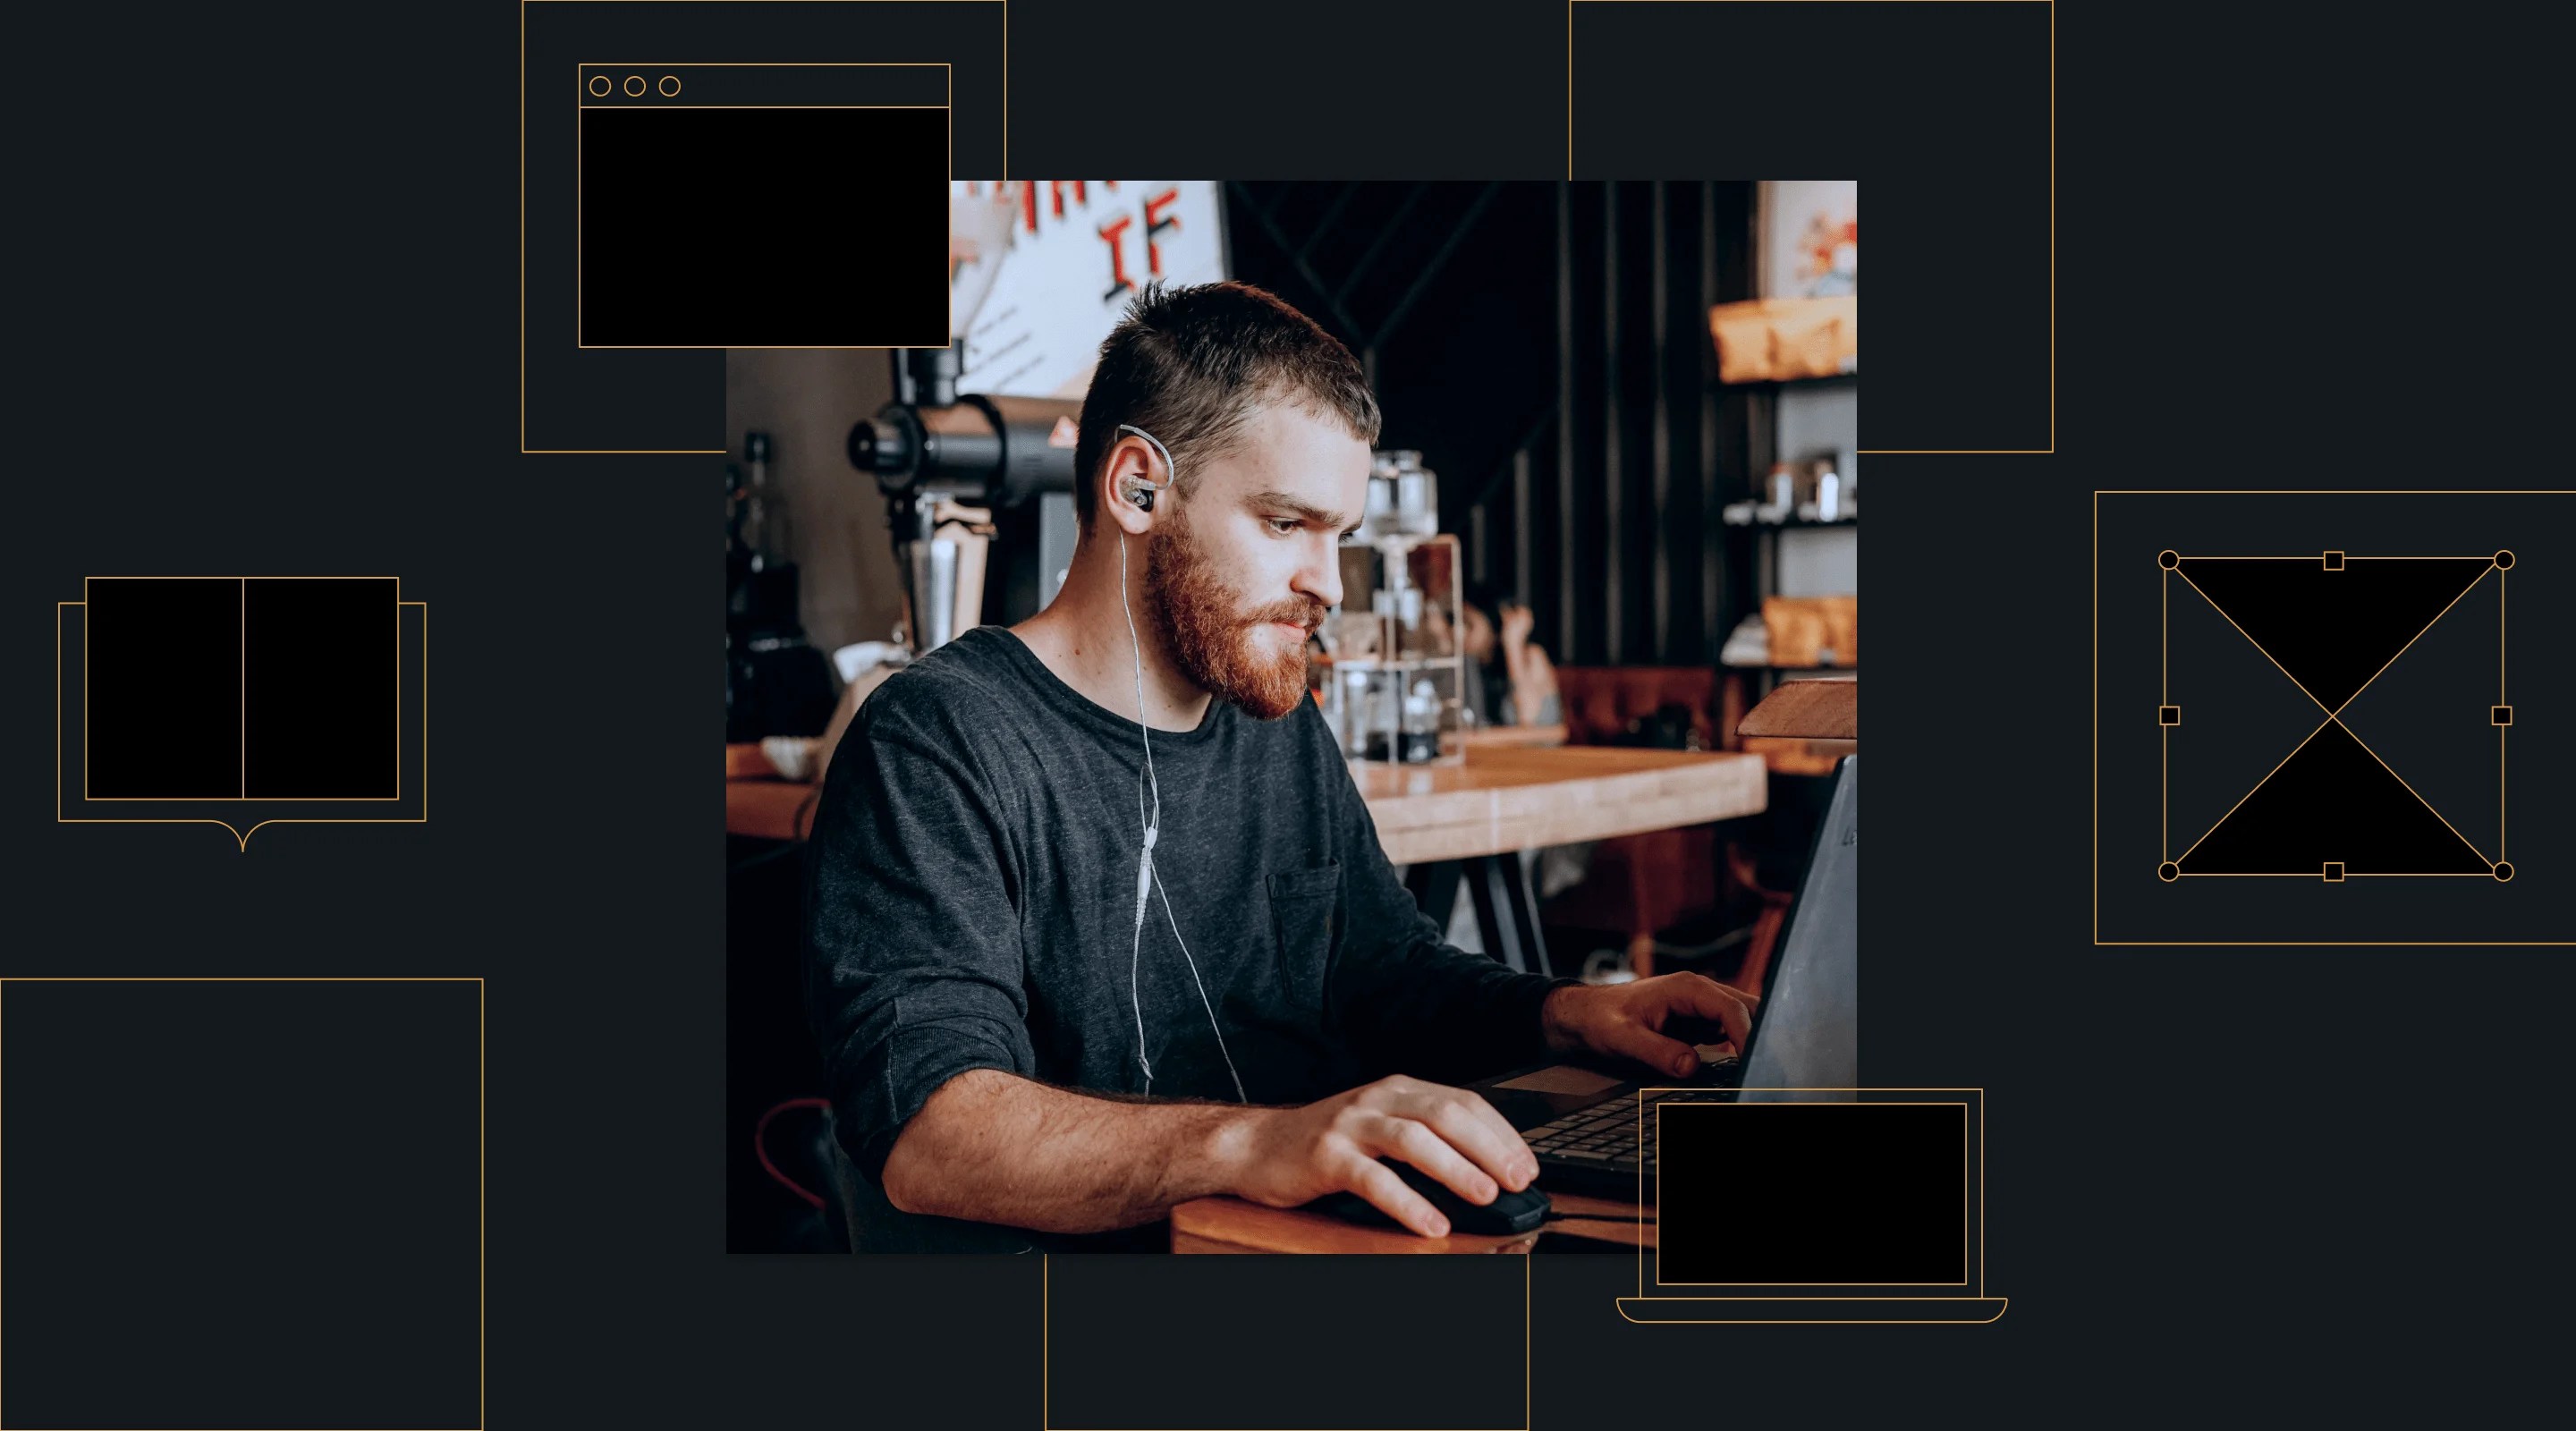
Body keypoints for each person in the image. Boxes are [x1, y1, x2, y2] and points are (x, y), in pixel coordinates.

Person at [803, 280, 1754, 1250]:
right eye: (1285, 523)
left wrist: (1572, 1014)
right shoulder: (938, 740)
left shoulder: (1274, 717)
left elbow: (1386, 976)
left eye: (1337, 535)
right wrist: (1255, 1143)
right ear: (1138, 487)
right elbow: (934, 1132)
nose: (1327, 583)